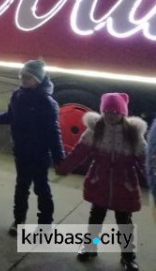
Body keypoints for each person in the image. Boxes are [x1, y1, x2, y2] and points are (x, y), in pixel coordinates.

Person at [57, 93, 146, 271]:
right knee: (96, 219)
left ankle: (128, 256)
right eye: (107, 111)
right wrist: (65, 166)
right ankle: (91, 246)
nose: (111, 115)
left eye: (115, 111)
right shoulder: (96, 130)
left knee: (124, 223)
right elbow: (79, 152)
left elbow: (144, 159)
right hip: (100, 183)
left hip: (124, 185)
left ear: (123, 113)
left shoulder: (132, 133)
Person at [0, 59, 65, 235]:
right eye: (22, 75)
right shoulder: (17, 95)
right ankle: (19, 220)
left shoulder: (47, 102)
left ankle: (45, 224)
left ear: (37, 79)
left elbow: (53, 132)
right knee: (21, 186)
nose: (23, 79)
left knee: (41, 187)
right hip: (21, 151)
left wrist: (59, 157)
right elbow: (10, 117)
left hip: (39, 154)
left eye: (28, 77)